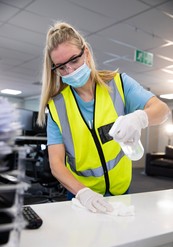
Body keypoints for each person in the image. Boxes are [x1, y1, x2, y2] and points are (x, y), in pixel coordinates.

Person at [38, 21, 170, 213]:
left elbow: (162, 110)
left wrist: (139, 118)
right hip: (81, 195)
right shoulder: (57, 106)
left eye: (74, 60)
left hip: (121, 191)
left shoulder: (120, 85)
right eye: (61, 67)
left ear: (87, 53)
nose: (70, 71)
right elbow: (56, 164)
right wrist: (83, 193)